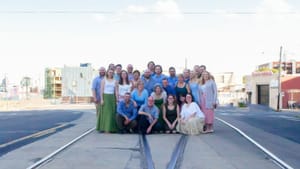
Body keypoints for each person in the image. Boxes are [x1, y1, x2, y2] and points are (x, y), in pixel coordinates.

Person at [96, 68, 119, 133]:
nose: (110, 73)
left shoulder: (115, 81)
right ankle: (105, 128)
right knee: (106, 113)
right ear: (107, 73)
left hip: (112, 97)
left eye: (112, 72)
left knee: (111, 113)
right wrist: (102, 99)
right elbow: (101, 90)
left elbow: (116, 91)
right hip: (105, 97)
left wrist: (117, 100)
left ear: (113, 73)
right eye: (109, 72)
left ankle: (111, 128)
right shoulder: (104, 80)